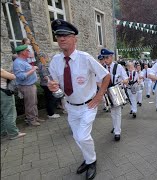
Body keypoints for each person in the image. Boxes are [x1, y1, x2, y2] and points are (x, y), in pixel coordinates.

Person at [47, 19, 111, 180]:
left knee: (82, 136)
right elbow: (58, 89)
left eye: (66, 35)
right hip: (70, 106)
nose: (61, 38)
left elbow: (106, 76)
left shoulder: (85, 58)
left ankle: (92, 161)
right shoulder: (55, 61)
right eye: (58, 35)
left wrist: (99, 95)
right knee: (77, 137)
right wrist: (53, 88)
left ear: (75, 39)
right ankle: (88, 159)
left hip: (88, 105)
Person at [102, 48, 128, 141]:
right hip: (107, 92)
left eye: (107, 57)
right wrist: (102, 89)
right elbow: (98, 81)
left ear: (111, 57)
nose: (105, 60)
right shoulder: (102, 68)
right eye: (104, 58)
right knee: (112, 112)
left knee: (117, 112)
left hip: (116, 90)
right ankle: (115, 126)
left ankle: (117, 132)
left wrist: (123, 81)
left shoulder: (118, 67)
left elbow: (126, 78)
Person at [13, 44, 43, 126]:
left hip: (30, 85)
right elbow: (20, 76)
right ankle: (31, 120)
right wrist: (33, 69)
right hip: (26, 86)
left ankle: (35, 117)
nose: (29, 51)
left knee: (34, 103)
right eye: (27, 50)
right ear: (23, 52)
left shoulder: (24, 61)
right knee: (30, 104)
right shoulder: (18, 63)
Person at [1, 68, 26, 140]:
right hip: (4, 93)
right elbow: (12, 77)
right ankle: (13, 133)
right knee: (9, 113)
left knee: (1, 115)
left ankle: (3, 132)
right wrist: (10, 73)